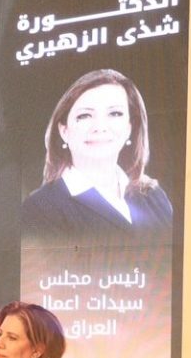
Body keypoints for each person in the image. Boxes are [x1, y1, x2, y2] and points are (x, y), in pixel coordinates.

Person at [20, 69, 174, 245]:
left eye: (115, 113)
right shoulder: (39, 210)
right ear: (64, 131)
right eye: (84, 116)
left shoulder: (154, 196)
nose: (100, 127)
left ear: (129, 128)